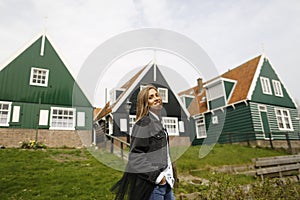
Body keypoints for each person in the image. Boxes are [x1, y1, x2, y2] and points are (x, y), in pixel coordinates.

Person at [111, 84, 175, 200]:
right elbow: (135, 157)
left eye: (156, 95)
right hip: (153, 187)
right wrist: (159, 178)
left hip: (167, 184)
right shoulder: (144, 124)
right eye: (151, 97)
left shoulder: (159, 124)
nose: (156, 98)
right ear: (146, 104)